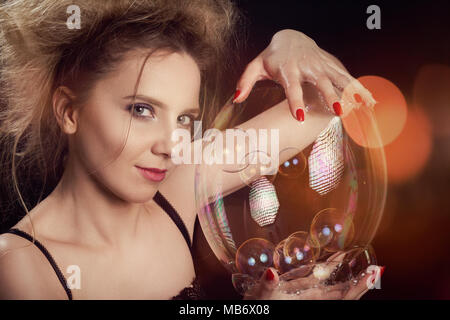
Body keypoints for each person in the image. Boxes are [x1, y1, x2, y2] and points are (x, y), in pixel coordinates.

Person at [0, 0, 378, 299]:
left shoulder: (176, 190)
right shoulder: (20, 268)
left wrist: (293, 44)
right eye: (141, 110)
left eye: (184, 119)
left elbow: (329, 104)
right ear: (69, 111)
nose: (171, 147)